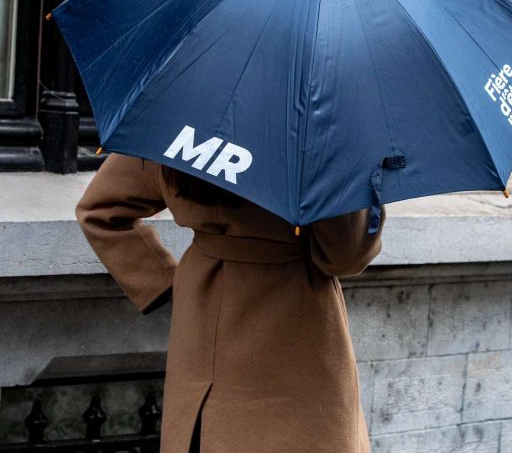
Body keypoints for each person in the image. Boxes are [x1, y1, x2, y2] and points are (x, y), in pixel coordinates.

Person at [75, 152, 386, 453]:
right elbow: (345, 255)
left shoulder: (186, 111)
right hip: (298, 317)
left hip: (204, 308)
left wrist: (168, 284)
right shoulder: (315, 132)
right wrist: (356, 165)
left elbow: (100, 209)